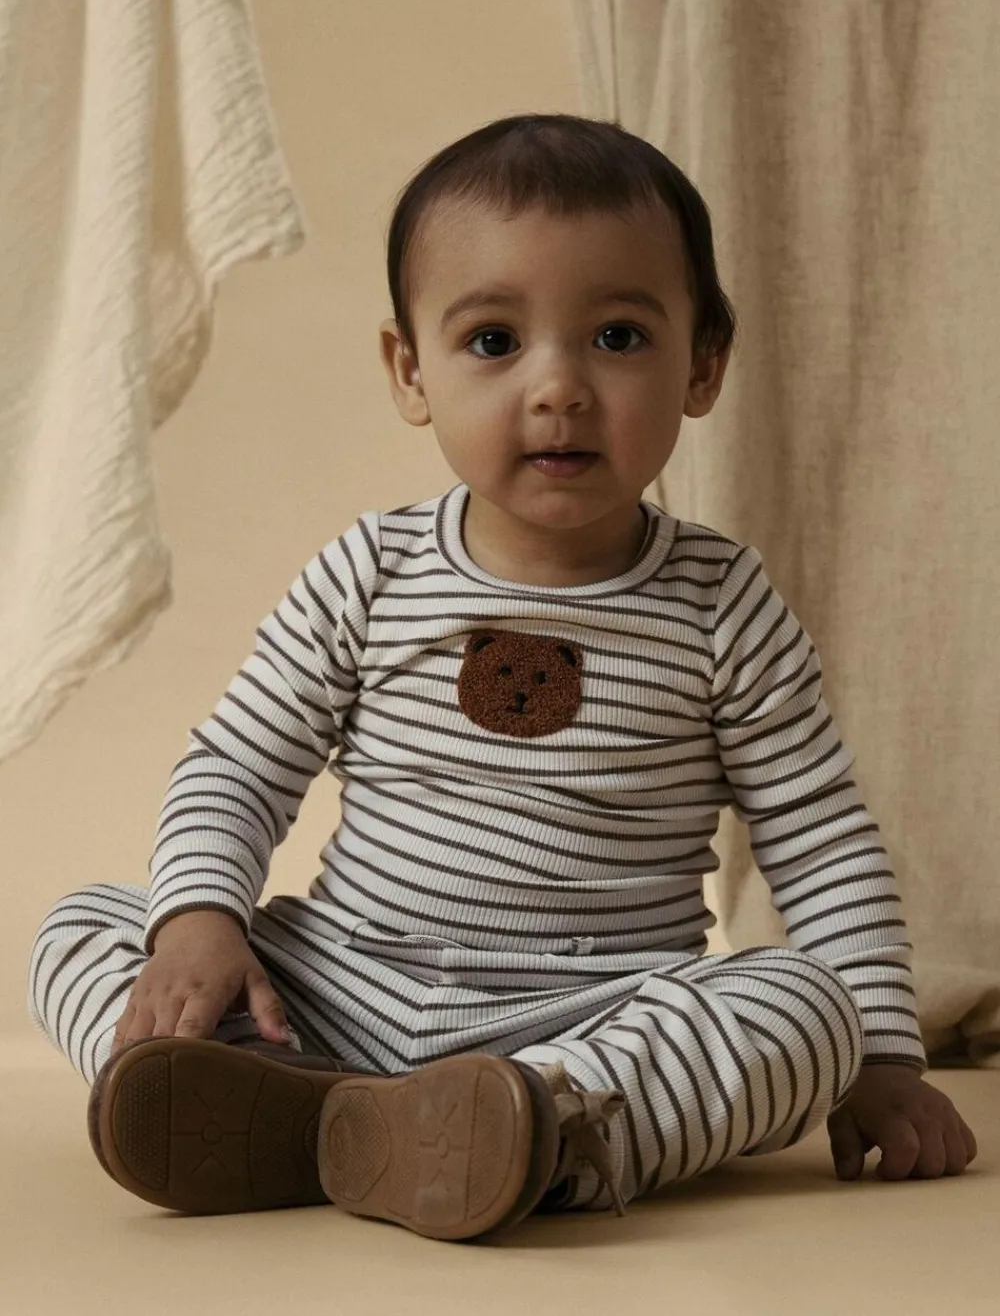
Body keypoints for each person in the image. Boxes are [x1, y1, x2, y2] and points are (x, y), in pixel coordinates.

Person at [27, 113, 977, 1241]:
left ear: (702, 363)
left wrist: (882, 1055)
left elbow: (818, 836)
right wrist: (198, 921)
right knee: (88, 924)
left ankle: (539, 1131)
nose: (558, 387)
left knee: (804, 1008)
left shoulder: (722, 602)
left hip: (587, 1023)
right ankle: (308, 1108)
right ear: (410, 370)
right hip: (341, 992)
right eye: (493, 341)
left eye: (617, 336)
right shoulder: (371, 572)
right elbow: (238, 765)